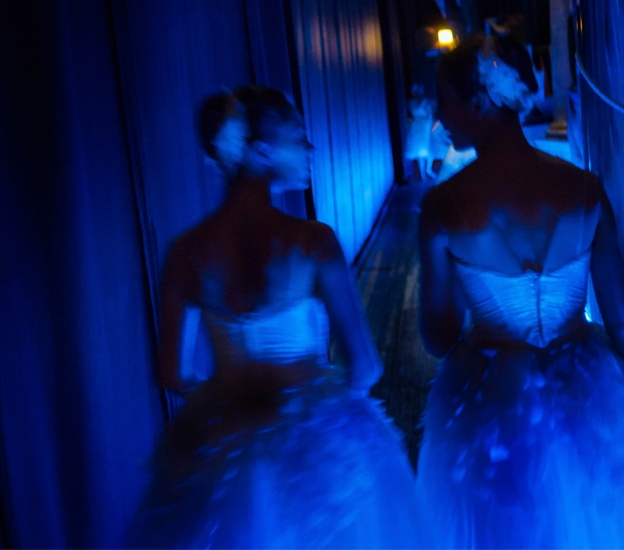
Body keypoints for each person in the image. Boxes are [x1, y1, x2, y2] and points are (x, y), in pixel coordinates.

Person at [416, 36, 624, 548]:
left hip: (494, 401)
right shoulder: (584, 189)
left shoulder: (444, 207)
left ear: (480, 101)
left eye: (444, 100)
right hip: (586, 388)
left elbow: (438, 337)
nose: (440, 117)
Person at [127, 86, 427, 548]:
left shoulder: (185, 252)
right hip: (310, 444)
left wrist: (226, 403)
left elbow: (172, 372)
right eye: (299, 136)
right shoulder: (312, 241)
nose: (311, 147)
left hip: (220, 448)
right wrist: (326, 404)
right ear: (262, 151)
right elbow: (365, 366)